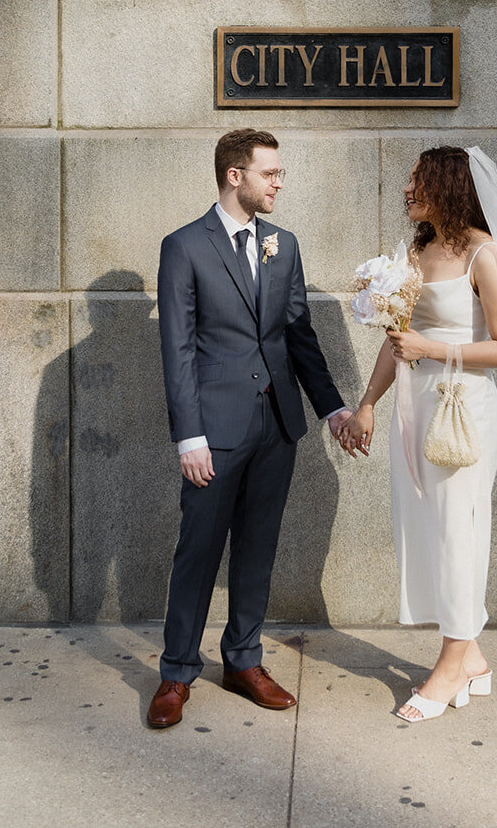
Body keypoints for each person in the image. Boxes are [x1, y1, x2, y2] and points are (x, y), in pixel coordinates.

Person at [148, 128, 355, 730]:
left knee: (258, 550)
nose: (279, 182)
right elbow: (178, 349)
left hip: (276, 426)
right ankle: (177, 670)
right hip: (214, 430)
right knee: (198, 552)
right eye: (270, 173)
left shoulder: (283, 246)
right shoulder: (184, 246)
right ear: (235, 175)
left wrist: (331, 408)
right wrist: (188, 436)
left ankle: (243, 660)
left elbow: (300, 337)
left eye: (279, 173)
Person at [340, 145, 497, 722]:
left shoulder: (483, 254)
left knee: (460, 530)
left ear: (445, 184)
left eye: (416, 180)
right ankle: (474, 657)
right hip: (416, 407)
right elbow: (395, 339)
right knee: (432, 529)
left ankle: (449, 666)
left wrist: (434, 349)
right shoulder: (419, 249)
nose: (406, 189)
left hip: (465, 410)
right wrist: (367, 403)